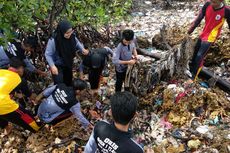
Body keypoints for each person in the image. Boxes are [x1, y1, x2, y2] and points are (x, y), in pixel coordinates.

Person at [188, 0, 230, 80]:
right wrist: (190, 30)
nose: (212, 4)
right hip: (203, 33)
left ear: (221, 1)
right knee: (195, 53)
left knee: (200, 56)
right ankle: (190, 71)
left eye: (214, 2)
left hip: (211, 36)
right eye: (211, 1)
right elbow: (199, 18)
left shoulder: (226, 10)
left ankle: (193, 78)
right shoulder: (207, 4)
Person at [0, 58, 41, 134]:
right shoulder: (20, 80)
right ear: (20, 69)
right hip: (2, 103)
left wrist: (15, 94)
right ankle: (37, 128)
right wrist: (40, 99)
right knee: (24, 115)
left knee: (2, 114)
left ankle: (6, 127)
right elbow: (31, 96)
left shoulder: (1, 71)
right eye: (23, 68)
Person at [45, 20, 89, 86]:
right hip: (57, 65)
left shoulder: (72, 35)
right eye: (67, 33)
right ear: (62, 31)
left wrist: (82, 49)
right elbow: (48, 54)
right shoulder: (53, 40)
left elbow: (76, 42)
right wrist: (52, 66)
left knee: (68, 81)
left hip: (68, 62)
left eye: (71, 31)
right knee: (59, 84)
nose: (69, 34)